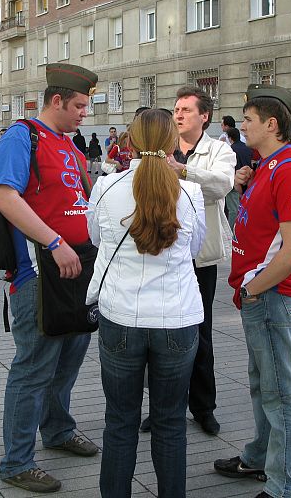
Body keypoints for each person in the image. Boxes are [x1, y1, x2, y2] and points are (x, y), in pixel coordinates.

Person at [86, 109, 205, 498]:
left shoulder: (105, 187)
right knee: (171, 423)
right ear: (174, 143)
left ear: (130, 142)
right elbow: (196, 250)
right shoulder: (190, 192)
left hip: (120, 317)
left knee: (119, 422)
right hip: (177, 319)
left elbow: (95, 238)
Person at [0, 63, 100, 493]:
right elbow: (5, 197)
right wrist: (55, 243)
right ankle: (16, 461)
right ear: (56, 101)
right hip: (39, 273)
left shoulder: (71, 149)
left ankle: (57, 430)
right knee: (33, 368)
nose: (83, 114)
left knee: (68, 361)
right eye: (78, 105)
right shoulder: (23, 137)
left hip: (78, 271)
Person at [214, 85, 291, 498]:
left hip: (270, 296)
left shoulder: (289, 168)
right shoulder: (268, 164)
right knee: (263, 384)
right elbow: (262, 226)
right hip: (259, 295)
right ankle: (258, 456)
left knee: (282, 394)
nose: (243, 126)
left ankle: (284, 487)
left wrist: (253, 288)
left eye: (249, 120)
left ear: (271, 124)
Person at [140, 85, 235, 436]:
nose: (178, 115)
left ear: (204, 116)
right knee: (162, 332)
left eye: (186, 110)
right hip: (164, 251)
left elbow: (221, 186)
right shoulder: (161, 148)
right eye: (176, 109)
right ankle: (164, 407)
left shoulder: (218, 150)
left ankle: (203, 407)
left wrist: (180, 170)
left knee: (200, 332)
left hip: (200, 256)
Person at [225, 126, 253, 229]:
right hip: (248, 180)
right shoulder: (247, 147)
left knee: (233, 209)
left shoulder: (230, 149)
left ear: (230, 138)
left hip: (234, 180)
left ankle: (233, 231)